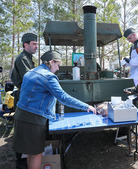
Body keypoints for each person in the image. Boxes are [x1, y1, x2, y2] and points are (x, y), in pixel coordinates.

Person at [13, 50, 96, 169]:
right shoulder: (48, 77)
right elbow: (63, 97)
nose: (57, 69)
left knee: (30, 153)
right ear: (51, 62)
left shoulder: (30, 72)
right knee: (37, 153)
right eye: (57, 65)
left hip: (21, 115)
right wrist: (86, 106)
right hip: (34, 119)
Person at [11, 32, 38, 169]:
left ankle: (25, 158)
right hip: (23, 99)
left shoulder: (28, 58)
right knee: (22, 131)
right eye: (33, 44)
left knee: (27, 130)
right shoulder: (22, 59)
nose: (36, 46)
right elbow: (30, 78)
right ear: (25, 44)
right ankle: (21, 162)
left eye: (36, 44)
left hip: (27, 98)